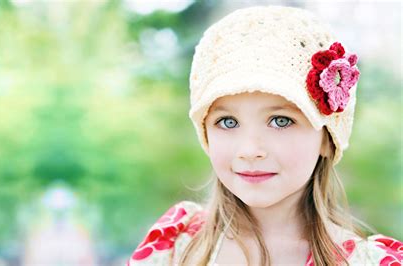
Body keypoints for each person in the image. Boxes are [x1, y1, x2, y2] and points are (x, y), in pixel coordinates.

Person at [127, 5, 402, 266]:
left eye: (281, 121)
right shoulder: (176, 245)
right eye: (227, 121)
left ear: (327, 139)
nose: (250, 149)